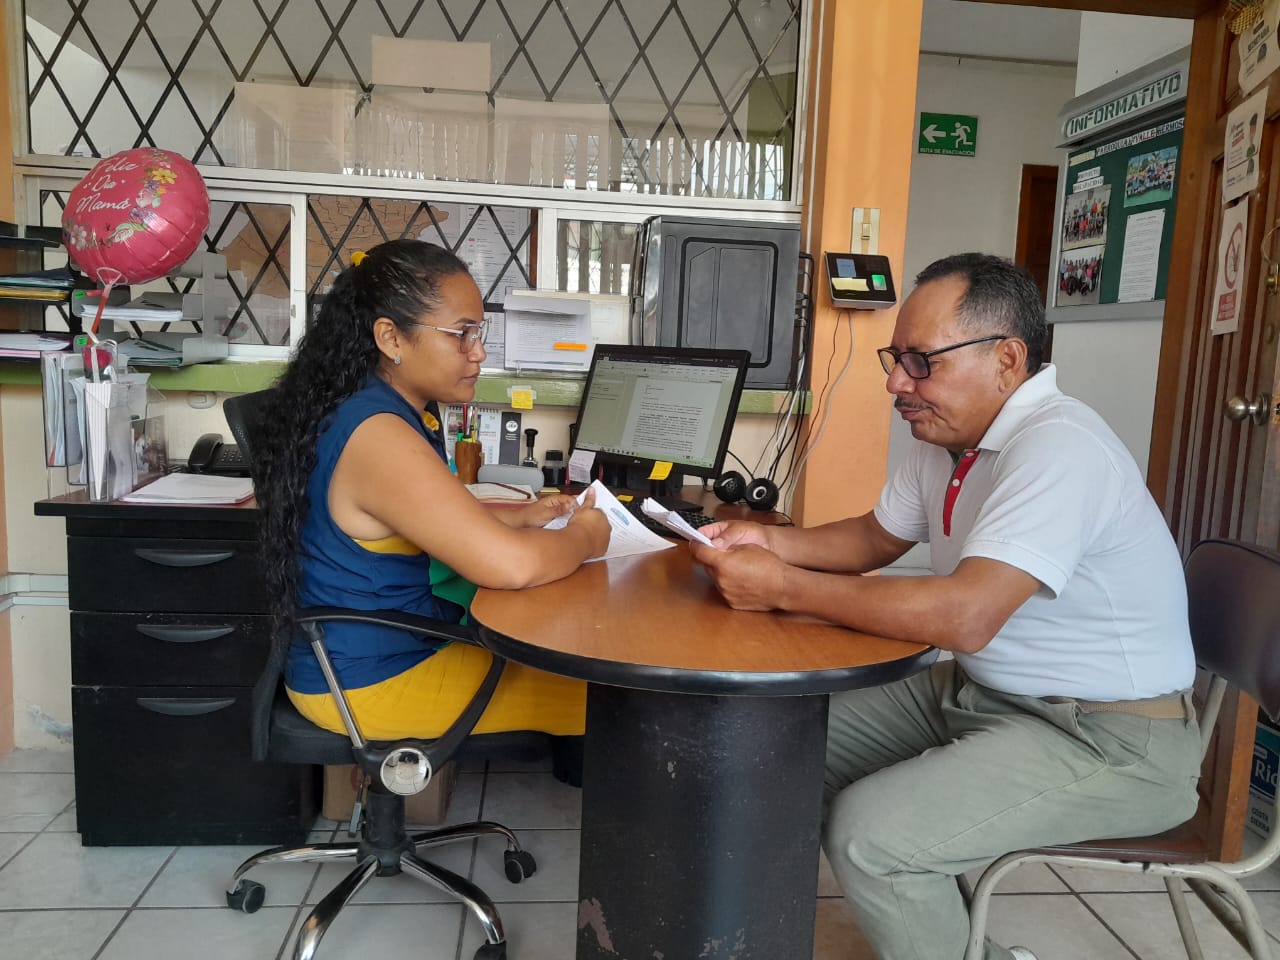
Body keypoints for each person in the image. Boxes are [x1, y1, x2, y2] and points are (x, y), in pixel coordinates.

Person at [689, 253, 1200, 960]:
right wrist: (767, 541)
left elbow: (965, 617)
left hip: (1110, 738)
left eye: (921, 362)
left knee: (872, 839)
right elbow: (872, 539)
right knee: (774, 739)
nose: (897, 383)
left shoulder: (1060, 448)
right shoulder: (950, 440)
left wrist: (781, 586)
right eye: (895, 359)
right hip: (985, 693)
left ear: (1006, 360)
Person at [253, 238, 610, 743]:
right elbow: (512, 566)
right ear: (390, 338)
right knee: (618, 696)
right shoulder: (378, 435)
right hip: (372, 681)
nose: (478, 352)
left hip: (379, 653)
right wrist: (589, 535)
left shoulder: (371, 407)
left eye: (478, 332)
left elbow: (417, 519)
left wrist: (521, 518)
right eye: (461, 334)